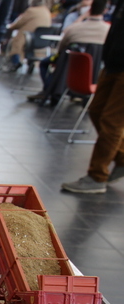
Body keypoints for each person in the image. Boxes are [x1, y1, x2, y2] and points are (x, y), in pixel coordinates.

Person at [61, 0, 124, 194]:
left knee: (112, 122)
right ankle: (122, 158)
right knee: (96, 111)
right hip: (113, 64)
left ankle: (97, 176)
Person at [27, 0, 109, 105]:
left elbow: (62, 45)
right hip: (92, 73)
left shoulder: (75, 28)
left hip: (67, 66)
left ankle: (48, 89)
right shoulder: (107, 30)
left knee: (45, 63)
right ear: (105, 11)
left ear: (89, 10)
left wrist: (82, 17)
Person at [4, 0, 52, 71]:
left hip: (28, 37)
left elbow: (19, 23)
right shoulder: (46, 11)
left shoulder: (31, 11)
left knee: (15, 43)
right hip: (42, 40)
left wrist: (9, 26)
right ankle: (26, 62)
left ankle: (16, 62)